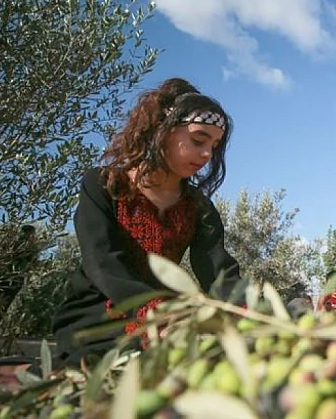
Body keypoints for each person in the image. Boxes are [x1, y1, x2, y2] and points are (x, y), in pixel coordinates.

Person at [52, 78, 242, 367]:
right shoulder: (103, 185)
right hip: (97, 317)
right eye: (198, 140)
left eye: (214, 146)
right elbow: (102, 262)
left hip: (166, 320)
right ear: (162, 131)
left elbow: (219, 273)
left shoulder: (200, 209)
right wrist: (152, 309)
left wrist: (248, 313)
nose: (207, 154)